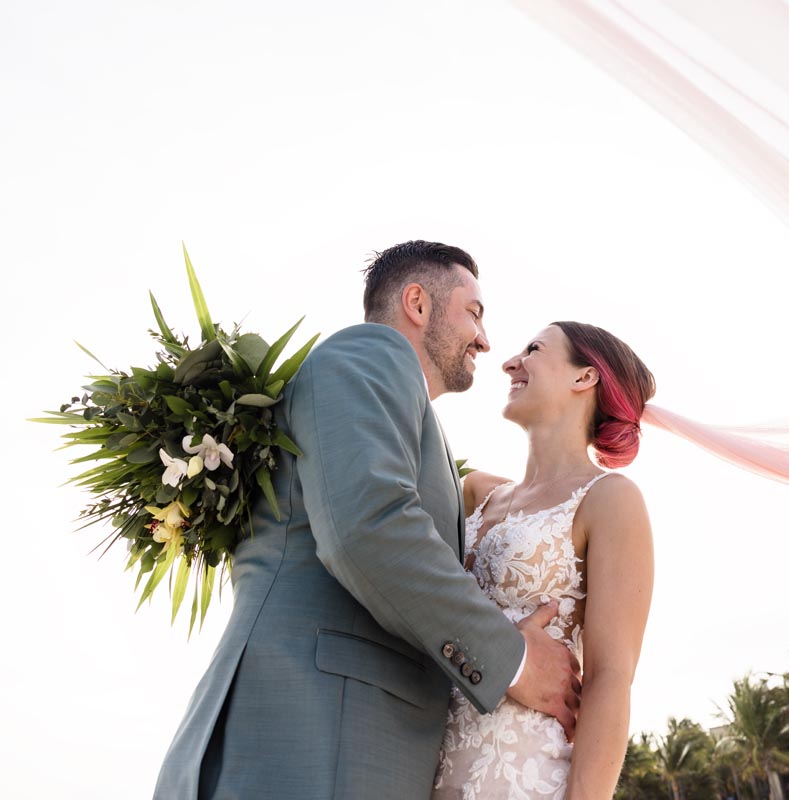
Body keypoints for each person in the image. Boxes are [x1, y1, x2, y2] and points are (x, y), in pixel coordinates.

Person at [154, 241, 581, 799]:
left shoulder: (400, 408)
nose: (484, 339)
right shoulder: (366, 355)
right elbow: (371, 527)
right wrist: (513, 659)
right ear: (417, 303)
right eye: (474, 313)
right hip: (311, 739)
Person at [433, 321, 656, 798]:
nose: (510, 363)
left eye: (532, 349)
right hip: (421, 761)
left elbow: (610, 678)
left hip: (523, 776)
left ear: (584, 378)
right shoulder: (474, 493)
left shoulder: (610, 499)